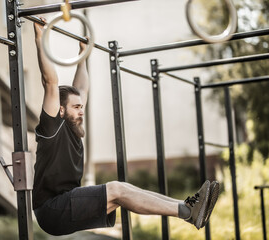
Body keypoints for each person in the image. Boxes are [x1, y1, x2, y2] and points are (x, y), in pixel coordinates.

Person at [32, 19, 219, 236]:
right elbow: (50, 82)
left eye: (82, 106)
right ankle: (187, 211)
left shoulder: (74, 127)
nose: (82, 110)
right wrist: (40, 38)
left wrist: (83, 56)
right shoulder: (52, 127)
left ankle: (188, 207)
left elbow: (82, 88)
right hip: (52, 209)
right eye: (76, 107)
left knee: (124, 189)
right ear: (60, 111)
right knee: (117, 189)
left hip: (66, 202)